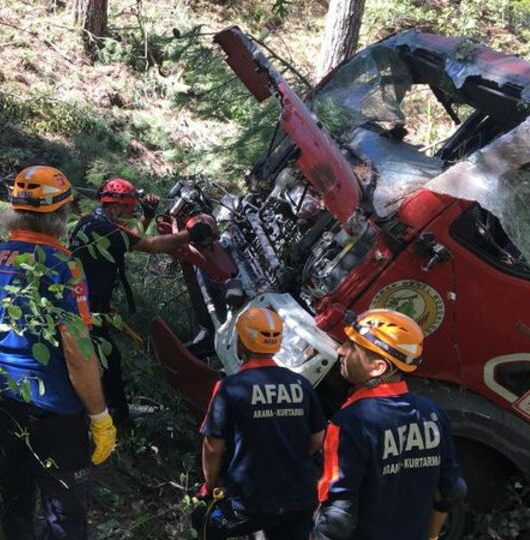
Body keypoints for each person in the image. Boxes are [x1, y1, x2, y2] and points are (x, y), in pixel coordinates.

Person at [0, 165, 117, 540]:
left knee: (14, 498)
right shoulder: (63, 266)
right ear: (59, 215)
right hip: (53, 407)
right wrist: (100, 415)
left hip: (2, 396)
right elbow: (79, 353)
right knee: (65, 511)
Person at [314, 309, 467, 540]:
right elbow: (452, 490)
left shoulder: (349, 423)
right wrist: (432, 537)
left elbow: (337, 520)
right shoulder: (432, 413)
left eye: (352, 347)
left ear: (378, 367)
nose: (340, 350)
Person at [68, 177, 203, 427]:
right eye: (131, 207)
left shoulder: (93, 221)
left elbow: (128, 239)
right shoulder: (104, 228)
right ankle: (116, 417)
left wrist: (148, 216)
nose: (133, 211)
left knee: (104, 359)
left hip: (85, 302)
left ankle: (107, 411)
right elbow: (150, 245)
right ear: (117, 205)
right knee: (106, 360)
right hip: (85, 308)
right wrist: (191, 234)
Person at [193, 306, 326, 540]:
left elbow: (213, 447)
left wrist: (211, 486)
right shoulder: (301, 384)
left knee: (202, 520)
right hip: (299, 496)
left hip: (250, 502)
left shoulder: (230, 388)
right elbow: (316, 438)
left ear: (240, 343)